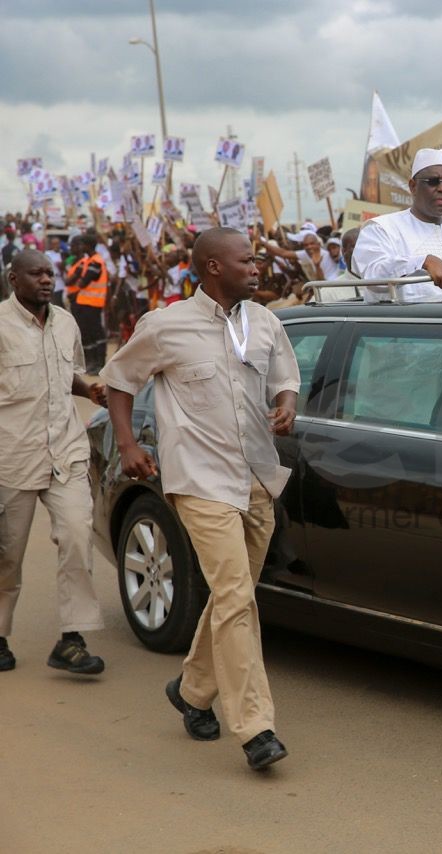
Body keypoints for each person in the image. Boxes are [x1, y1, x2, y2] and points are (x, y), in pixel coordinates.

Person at [102, 227, 300, 771]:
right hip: (200, 481)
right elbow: (118, 379)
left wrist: (285, 406)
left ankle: (191, 691)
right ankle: (256, 726)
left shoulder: (264, 321)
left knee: (231, 595)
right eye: (247, 259)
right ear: (213, 267)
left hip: (256, 478)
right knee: (237, 595)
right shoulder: (165, 327)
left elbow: (286, 378)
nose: (257, 267)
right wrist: (126, 442)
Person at [0, 250, 109, 675]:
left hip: (66, 450)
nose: (46, 280)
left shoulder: (65, 322)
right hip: (12, 456)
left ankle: (72, 639)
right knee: (8, 555)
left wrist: (90, 391)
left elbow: (67, 376)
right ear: (14, 279)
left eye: (50, 273)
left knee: (78, 537)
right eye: (36, 273)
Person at [352, 148, 442, 301]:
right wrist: (422, 262)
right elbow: (372, 276)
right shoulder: (382, 228)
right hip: (413, 324)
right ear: (413, 186)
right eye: (433, 182)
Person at [63, 235, 109, 373]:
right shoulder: (88, 261)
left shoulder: (96, 262)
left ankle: (99, 363)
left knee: (96, 334)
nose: (80, 247)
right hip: (85, 302)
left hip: (93, 303)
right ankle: (91, 362)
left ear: (87, 245)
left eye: (82, 244)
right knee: (87, 333)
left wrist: (79, 283)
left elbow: (83, 282)